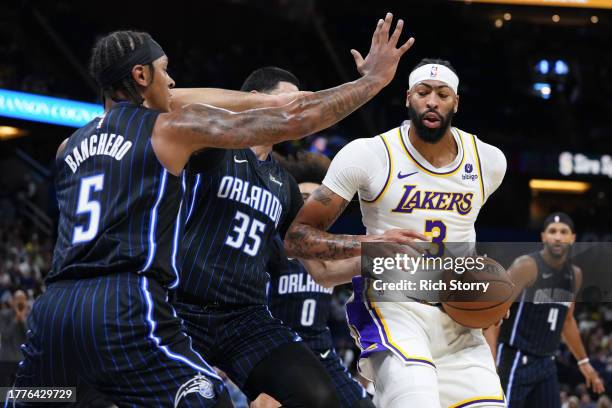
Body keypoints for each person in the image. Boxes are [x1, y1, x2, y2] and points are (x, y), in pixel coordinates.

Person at [11, 15, 414, 406]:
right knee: (204, 399)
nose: (173, 81)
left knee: (42, 397)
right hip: (152, 302)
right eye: (164, 70)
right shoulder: (185, 135)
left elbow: (309, 251)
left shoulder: (70, 147)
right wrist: (373, 81)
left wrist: (375, 247)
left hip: (63, 306)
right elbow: (294, 115)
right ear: (139, 76)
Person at [285, 58, 509, 407]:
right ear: (408, 98)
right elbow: (298, 237)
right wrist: (369, 243)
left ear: (456, 103)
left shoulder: (489, 162)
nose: (432, 101)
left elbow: (462, 236)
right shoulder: (369, 154)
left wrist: (491, 286)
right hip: (394, 307)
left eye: (442, 94)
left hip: (458, 319)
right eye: (423, 92)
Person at [257, 151, 374, 408]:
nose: (304, 208)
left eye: (312, 201)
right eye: (300, 199)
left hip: (321, 350)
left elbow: (338, 272)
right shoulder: (269, 243)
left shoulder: (330, 251)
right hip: (279, 350)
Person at [485, 212, 605, 407]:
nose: (557, 236)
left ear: (572, 238)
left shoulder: (575, 275)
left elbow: (567, 321)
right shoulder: (527, 266)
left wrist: (584, 362)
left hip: (547, 363)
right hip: (514, 358)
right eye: (552, 231)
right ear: (543, 236)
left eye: (563, 231)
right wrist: (490, 362)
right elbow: (492, 313)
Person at [0, 290, 28, 387]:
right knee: (3, 395)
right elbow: (5, 335)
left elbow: (29, 336)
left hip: (22, 361)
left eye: (22, 299)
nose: (20, 301)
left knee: (21, 396)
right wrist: (16, 319)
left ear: (26, 301)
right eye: (17, 299)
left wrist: (23, 320)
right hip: (6, 360)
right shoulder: (3, 314)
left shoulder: (29, 316)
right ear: (12, 301)